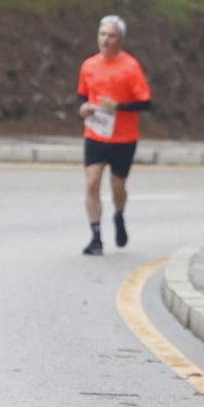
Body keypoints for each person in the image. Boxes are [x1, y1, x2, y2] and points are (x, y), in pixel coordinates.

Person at [77, 15, 152, 255]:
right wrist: (83, 108)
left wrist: (118, 107)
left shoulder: (130, 67)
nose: (106, 40)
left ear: (120, 40)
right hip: (95, 133)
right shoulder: (89, 65)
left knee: (117, 188)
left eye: (111, 36)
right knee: (91, 184)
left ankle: (119, 215)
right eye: (102, 35)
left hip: (123, 138)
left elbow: (146, 103)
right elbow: (82, 95)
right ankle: (96, 236)